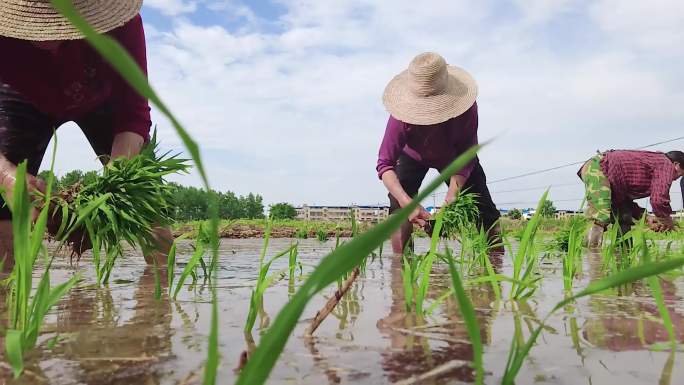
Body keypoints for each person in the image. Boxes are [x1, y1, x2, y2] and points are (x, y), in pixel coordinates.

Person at [0, 0, 170, 270]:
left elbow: (133, 114)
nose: (50, 33)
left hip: (99, 94)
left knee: (145, 196)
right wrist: (7, 177)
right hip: (22, 96)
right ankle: (6, 303)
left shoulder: (121, 22)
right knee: (4, 201)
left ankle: (158, 300)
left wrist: (114, 189)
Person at [376, 52, 501, 255]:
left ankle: (494, 263)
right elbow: (385, 164)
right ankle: (400, 267)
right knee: (398, 211)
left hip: (456, 157)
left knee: (484, 210)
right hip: (413, 156)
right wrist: (408, 205)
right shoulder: (400, 117)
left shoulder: (466, 109)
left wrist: (452, 195)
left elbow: (467, 152)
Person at [578, 150, 684, 247]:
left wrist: (646, 218)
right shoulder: (666, 164)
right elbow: (659, 200)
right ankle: (591, 258)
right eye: (680, 175)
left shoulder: (654, 165)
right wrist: (666, 220)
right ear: (677, 165)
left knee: (624, 216)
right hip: (599, 168)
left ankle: (623, 258)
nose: (674, 179)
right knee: (600, 217)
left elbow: (625, 200)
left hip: (616, 183)